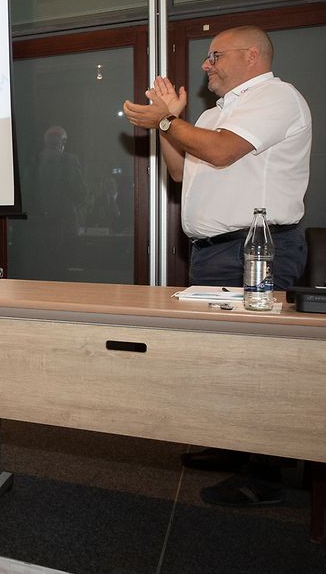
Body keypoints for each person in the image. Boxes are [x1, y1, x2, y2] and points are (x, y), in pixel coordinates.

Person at [123, 25, 312, 507]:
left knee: (258, 362)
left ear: (251, 56)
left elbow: (222, 151)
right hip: (211, 252)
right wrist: (167, 125)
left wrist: (168, 121)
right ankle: (234, 446)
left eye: (215, 56)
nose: (206, 65)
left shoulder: (278, 97)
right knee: (223, 358)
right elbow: (179, 170)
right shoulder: (211, 114)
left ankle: (268, 474)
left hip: (258, 250)